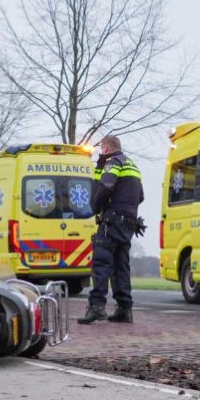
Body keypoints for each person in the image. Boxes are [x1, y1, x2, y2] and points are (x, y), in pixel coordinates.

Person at [78, 135, 145, 324]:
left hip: (111, 223)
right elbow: (140, 196)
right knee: (120, 267)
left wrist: (95, 206)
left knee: (101, 265)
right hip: (128, 225)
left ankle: (97, 307)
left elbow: (105, 186)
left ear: (106, 148)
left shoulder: (112, 163)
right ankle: (125, 309)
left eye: (102, 150)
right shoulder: (132, 166)